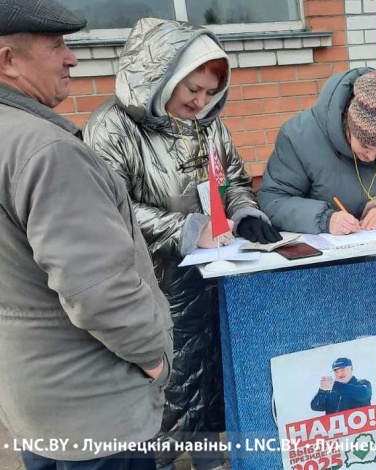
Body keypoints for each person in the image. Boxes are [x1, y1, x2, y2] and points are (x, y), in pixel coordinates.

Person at [83, 18, 277, 470]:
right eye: (192, 88)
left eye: (210, 92)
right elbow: (107, 210)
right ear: (162, 76)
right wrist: (188, 229)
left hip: (211, 278)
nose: (200, 101)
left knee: (207, 374)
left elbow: (232, 181)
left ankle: (210, 459)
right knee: (163, 384)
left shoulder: (208, 126)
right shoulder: (112, 128)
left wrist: (244, 213)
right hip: (152, 283)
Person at [0, 1, 173, 469]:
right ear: (8, 60)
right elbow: (99, 289)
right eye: (57, 46)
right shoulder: (47, 152)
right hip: (97, 409)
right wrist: (153, 359)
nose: (71, 58)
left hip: (34, 397)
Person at [259, 68, 376, 235]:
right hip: (318, 251)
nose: (370, 157)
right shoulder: (300, 136)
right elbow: (273, 199)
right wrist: (325, 219)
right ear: (349, 124)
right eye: (365, 146)